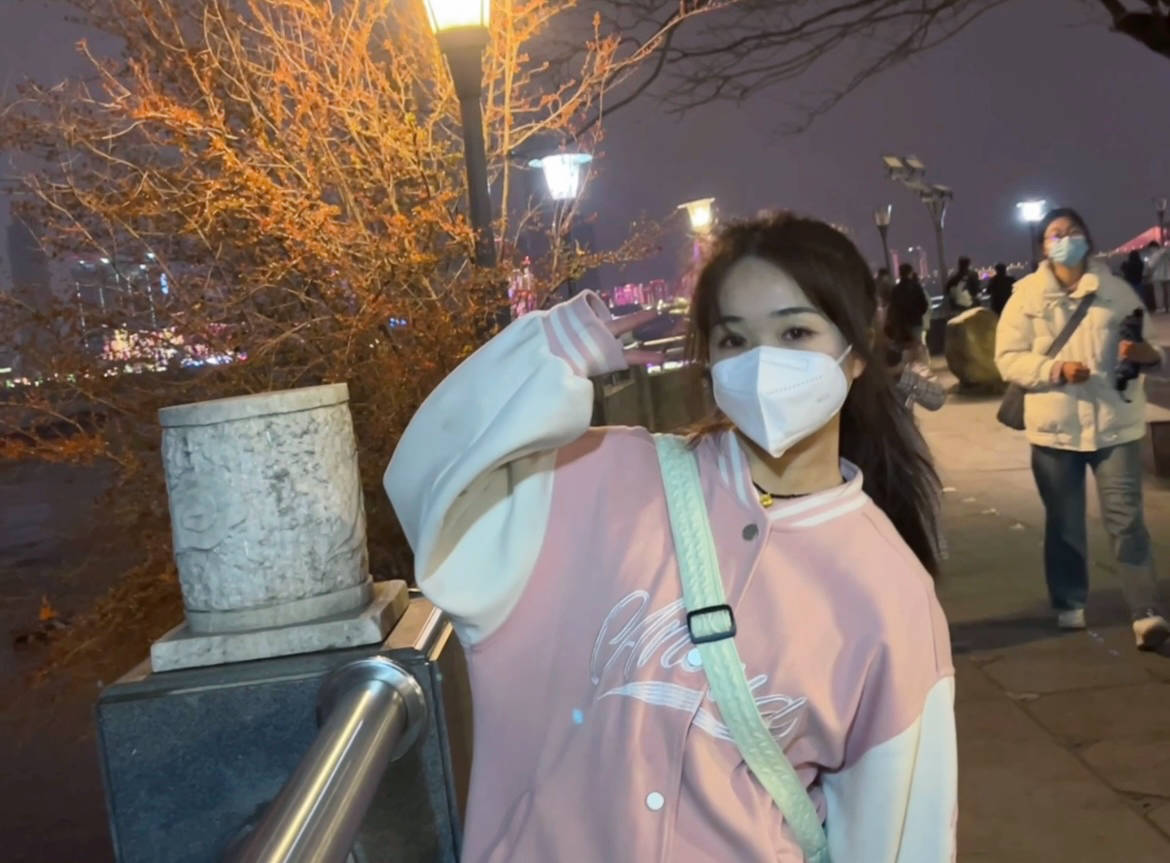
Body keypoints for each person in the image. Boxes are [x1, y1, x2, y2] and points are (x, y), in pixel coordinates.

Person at [386, 214, 957, 861]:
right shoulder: (600, 480)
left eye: (795, 331)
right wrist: (554, 352)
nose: (761, 362)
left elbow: (902, 838)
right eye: (734, 338)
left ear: (853, 354)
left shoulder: (889, 590)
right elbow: (430, 482)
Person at [995, 207, 1170, 649]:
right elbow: (1007, 359)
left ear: (1088, 240)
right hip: (1054, 429)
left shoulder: (1117, 292)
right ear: (1043, 247)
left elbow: (1151, 349)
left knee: (1127, 522)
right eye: (1055, 234)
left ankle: (1145, 611)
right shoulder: (1025, 297)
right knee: (1064, 522)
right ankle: (1069, 600)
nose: (1065, 239)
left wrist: (1147, 355)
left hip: (1115, 424)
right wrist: (1054, 370)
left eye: (1072, 231)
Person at [888, 262, 930, 363]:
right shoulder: (916, 287)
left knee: (904, 349)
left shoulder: (896, 290)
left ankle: (906, 367)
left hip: (901, 324)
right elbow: (924, 304)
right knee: (917, 347)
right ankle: (919, 367)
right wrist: (918, 314)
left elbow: (893, 307)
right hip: (915, 321)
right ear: (910, 273)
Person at [1146, 241, 1170, 313]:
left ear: (1152, 247)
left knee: (1159, 293)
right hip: (1168, 275)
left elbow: (1150, 266)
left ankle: (1160, 308)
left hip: (1157, 276)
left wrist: (1149, 276)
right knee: (1168, 292)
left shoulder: (1155, 254)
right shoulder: (1167, 252)